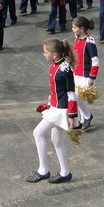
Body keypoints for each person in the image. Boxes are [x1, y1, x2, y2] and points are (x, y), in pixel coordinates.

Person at [26, 38, 78, 184]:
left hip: (60, 110)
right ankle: (65, 172)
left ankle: (43, 170)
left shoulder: (65, 69)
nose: (44, 54)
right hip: (55, 105)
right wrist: (52, 95)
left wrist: (72, 115)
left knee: (38, 132)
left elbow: (71, 93)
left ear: (54, 54)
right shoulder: (55, 64)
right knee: (56, 140)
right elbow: (57, 87)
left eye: (46, 52)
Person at [72, 16, 99, 130]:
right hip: (76, 74)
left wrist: (91, 77)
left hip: (86, 76)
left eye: (74, 27)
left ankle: (87, 116)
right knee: (75, 97)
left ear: (82, 29)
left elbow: (95, 61)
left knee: (78, 97)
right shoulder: (76, 38)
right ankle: (81, 120)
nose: (72, 29)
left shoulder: (89, 42)